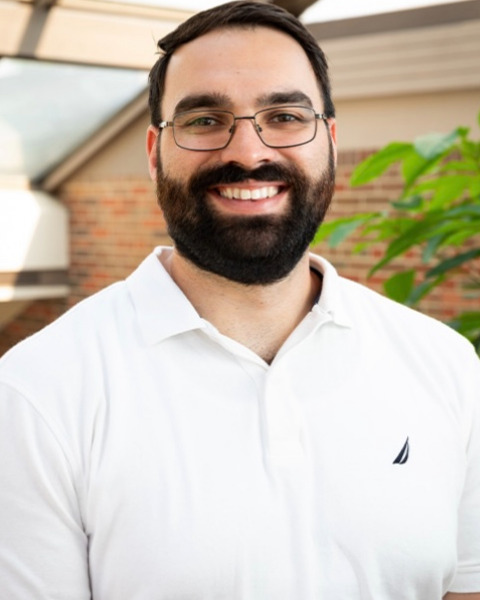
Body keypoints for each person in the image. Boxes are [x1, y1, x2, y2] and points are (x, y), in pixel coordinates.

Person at [0, 1, 479, 598]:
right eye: (205, 120)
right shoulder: (37, 391)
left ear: (330, 142)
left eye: (284, 116)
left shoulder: (445, 364)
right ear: (154, 152)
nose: (249, 153)